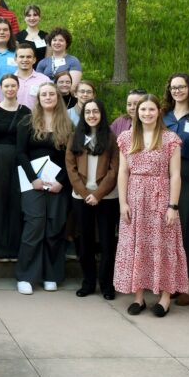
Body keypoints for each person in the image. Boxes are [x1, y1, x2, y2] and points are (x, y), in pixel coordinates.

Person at [115, 94, 187, 316]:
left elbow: (175, 175)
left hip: (160, 196)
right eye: (142, 110)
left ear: (158, 112)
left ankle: (165, 298)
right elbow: (122, 172)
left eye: (151, 110)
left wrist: (172, 206)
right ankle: (139, 297)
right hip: (134, 198)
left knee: (163, 245)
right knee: (136, 246)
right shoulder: (126, 138)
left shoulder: (170, 139)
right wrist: (122, 203)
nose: (146, 113)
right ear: (136, 113)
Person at [16, 83, 73, 295]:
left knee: (54, 228)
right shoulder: (27, 122)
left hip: (58, 184)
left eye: (51, 94)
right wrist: (34, 179)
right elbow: (21, 153)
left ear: (58, 98)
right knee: (34, 226)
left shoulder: (67, 125)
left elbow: (72, 157)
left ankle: (51, 275)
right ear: (38, 99)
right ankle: (26, 277)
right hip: (32, 182)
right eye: (44, 94)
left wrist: (61, 182)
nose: (48, 97)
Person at [65, 98, 120, 299]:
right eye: (87, 112)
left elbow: (115, 170)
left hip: (107, 198)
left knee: (107, 242)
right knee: (84, 242)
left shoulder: (112, 138)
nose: (91, 115)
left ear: (101, 113)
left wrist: (97, 194)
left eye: (95, 111)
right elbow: (70, 168)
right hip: (81, 197)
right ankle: (88, 282)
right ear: (83, 115)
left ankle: (106, 284)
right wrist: (85, 193)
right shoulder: (75, 137)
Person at [161, 73, 189, 306]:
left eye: (182, 86)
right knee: (166, 230)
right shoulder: (163, 116)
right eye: (173, 87)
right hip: (163, 177)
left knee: (186, 228)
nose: (177, 90)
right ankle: (171, 282)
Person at [0, 75, 29, 262]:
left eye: (13, 85)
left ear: (18, 87)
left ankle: (15, 249)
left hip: (20, 159)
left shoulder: (26, 111)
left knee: (17, 202)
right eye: (6, 86)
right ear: (1, 88)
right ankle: (0, 249)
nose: (10, 89)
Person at [13, 43, 51, 109]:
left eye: (29, 57)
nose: (25, 60)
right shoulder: (9, 81)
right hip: (13, 118)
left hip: (36, 118)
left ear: (34, 60)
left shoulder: (45, 80)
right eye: (21, 57)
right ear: (15, 59)